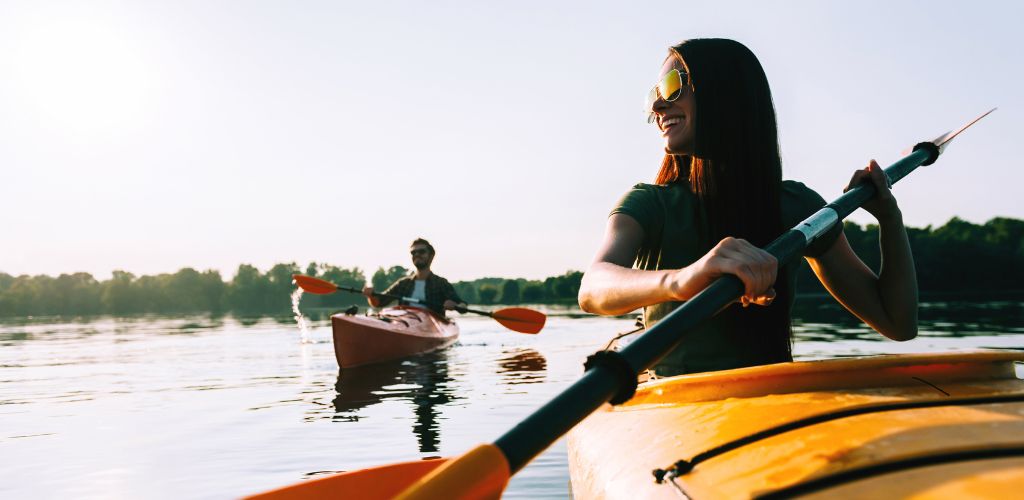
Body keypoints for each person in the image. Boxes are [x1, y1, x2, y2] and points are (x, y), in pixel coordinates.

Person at [578, 39, 918, 377]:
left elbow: (897, 323)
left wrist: (889, 217)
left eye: (672, 86)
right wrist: (683, 279)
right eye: (655, 95)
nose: (659, 106)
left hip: (768, 399)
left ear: (726, 95)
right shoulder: (649, 204)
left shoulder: (798, 208)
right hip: (669, 405)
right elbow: (592, 289)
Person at [362, 238, 467, 317]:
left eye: (421, 252)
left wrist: (455, 305)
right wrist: (371, 295)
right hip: (405, 320)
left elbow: (463, 306)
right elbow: (379, 302)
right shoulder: (403, 284)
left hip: (431, 323)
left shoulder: (440, 283)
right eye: (413, 252)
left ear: (431, 255)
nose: (416, 254)